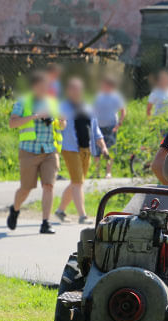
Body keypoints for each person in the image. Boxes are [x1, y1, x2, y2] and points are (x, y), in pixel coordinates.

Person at [7, 70, 65, 234]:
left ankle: (45, 223)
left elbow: (62, 125)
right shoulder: (23, 102)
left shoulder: (52, 102)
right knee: (26, 188)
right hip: (29, 151)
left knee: (49, 186)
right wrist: (35, 116)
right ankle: (15, 209)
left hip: (49, 150)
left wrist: (61, 119)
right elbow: (13, 123)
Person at [55, 77, 108, 224]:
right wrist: (61, 121)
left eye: (79, 89)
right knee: (77, 182)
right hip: (69, 149)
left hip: (86, 150)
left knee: (76, 182)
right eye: (73, 88)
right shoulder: (62, 107)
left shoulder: (88, 108)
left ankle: (60, 210)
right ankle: (83, 216)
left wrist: (103, 147)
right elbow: (59, 126)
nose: (77, 91)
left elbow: (96, 131)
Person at [92, 75, 126, 179]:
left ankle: (108, 172)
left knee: (110, 150)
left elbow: (123, 111)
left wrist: (119, 124)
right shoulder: (98, 96)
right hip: (98, 127)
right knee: (97, 150)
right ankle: (96, 172)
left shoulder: (116, 97)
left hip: (111, 127)